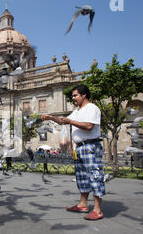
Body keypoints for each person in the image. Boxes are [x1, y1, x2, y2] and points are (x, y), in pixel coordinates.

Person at [41, 84, 105, 221]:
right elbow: (64, 121)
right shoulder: (77, 111)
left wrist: (70, 121)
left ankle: (97, 209)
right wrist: (51, 118)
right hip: (79, 147)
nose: (73, 98)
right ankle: (83, 204)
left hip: (90, 146)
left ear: (84, 95)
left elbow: (89, 126)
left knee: (94, 175)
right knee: (81, 176)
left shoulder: (92, 108)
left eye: (75, 95)